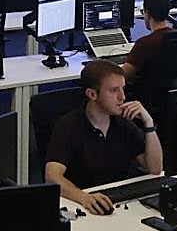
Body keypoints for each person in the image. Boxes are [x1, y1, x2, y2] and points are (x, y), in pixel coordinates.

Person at [44, 60, 163, 216]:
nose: (122, 97)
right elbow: (52, 176)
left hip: (118, 202)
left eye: (123, 89)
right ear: (92, 94)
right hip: (85, 205)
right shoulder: (68, 126)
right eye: (114, 90)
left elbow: (155, 169)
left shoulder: (123, 123)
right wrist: (84, 197)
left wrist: (149, 124)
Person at [121, 0, 172, 82]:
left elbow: (122, 77)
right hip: (169, 89)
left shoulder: (144, 44)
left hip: (142, 90)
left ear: (147, 13)